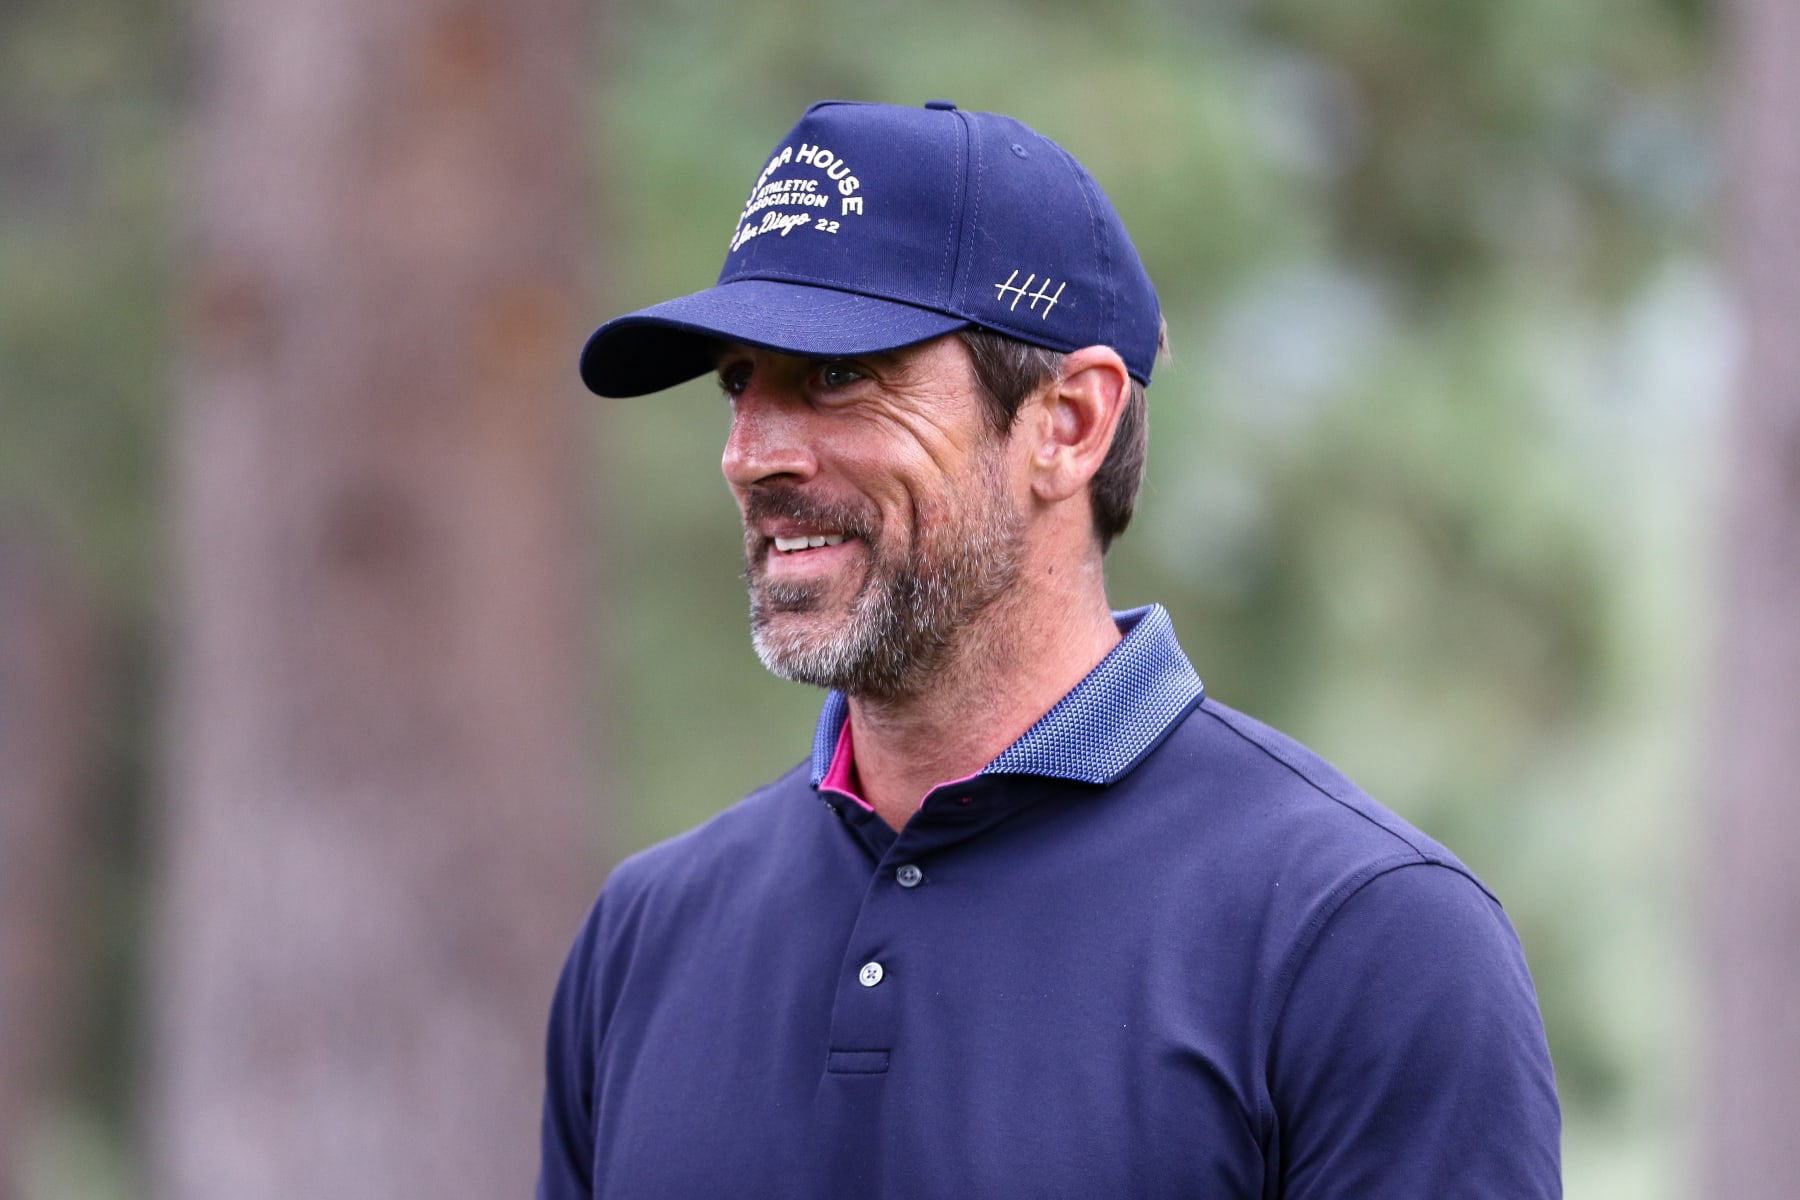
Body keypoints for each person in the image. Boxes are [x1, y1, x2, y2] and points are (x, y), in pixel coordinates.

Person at [538, 99, 1560, 1199]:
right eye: (741, 381)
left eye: (835, 377)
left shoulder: (1366, 940)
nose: (751, 454)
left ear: (1070, 424)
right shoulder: (644, 937)